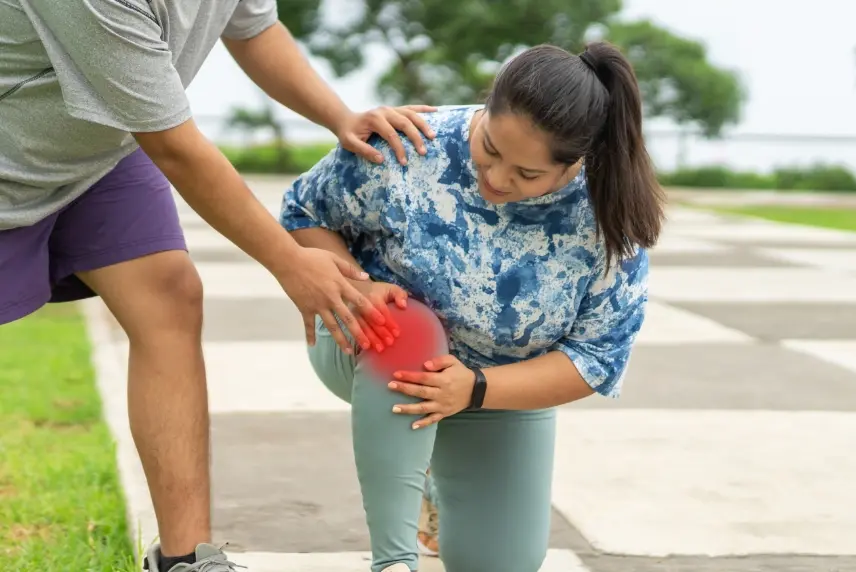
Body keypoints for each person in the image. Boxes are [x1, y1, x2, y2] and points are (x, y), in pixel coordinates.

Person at [0, 1, 436, 571]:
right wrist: (290, 262)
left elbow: (254, 27)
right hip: (15, 156)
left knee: (170, 297)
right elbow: (175, 145)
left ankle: (186, 559)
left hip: (102, 149)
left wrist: (338, 116)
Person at [279, 41, 666, 572]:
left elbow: (595, 359)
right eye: (490, 148)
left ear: (576, 162)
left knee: (501, 563)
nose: (498, 179)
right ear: (486, 108)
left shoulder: (608, 220)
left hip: (493, 391)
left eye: (527, 175)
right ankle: (393, 561)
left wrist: (476, 389)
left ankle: (435, 486)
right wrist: (356, 283)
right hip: (373, 348)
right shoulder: (413, 142)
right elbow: (303, 211)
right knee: (411, 323)